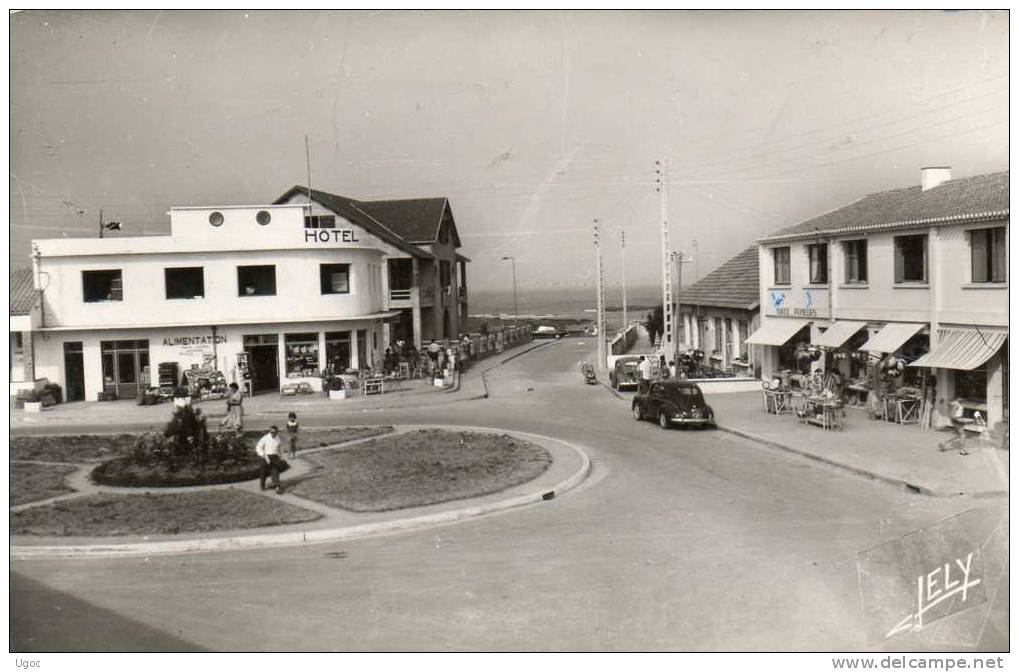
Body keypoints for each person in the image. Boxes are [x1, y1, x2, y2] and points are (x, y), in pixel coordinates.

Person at [256, 425, 284, 494]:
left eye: (274, 432)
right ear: (270, 431)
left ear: (277, 432)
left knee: (275, 471)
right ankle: (262, 486)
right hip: (265, 456)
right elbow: (258, 447)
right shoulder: (265, 438)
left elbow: (279, 447)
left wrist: (280, 456)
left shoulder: (278, 438)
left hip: (274, 456)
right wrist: (263, 455)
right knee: (263, 472)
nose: (273, 434)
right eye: (271, 432)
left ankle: (277, 486)